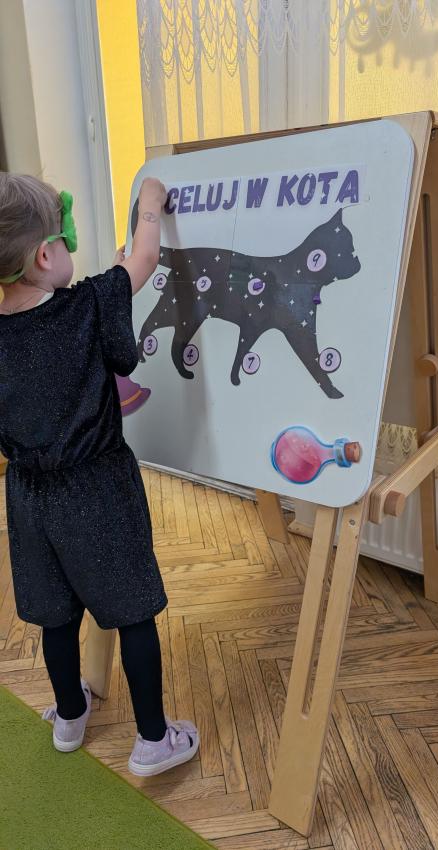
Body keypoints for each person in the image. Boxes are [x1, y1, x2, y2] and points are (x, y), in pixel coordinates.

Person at [0, 172, 198, 777]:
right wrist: (151, 201)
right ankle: (153, 740)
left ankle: (69, 716)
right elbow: (145, 258)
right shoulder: (89, 303)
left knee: (55, 615)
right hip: (98, 489)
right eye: (66, 240)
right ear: (45, 255)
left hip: (27, 496)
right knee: (133, 611)